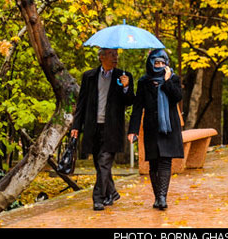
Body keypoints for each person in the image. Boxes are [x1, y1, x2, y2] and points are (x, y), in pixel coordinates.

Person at [71, 48, 134, 211]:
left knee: (105, 162)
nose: (116, 58)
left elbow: (129, 101)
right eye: (112, 54)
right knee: (99, 164)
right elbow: (81, 103)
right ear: (101, 57)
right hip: (93, 127)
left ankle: (98, 198)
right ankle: (111, 192)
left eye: (117, 55)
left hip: (112, 128)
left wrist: (126, 87)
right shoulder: (89, 76)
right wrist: (76, 125)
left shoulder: (124, 76)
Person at [127, 48, 183, 210]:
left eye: (162, 62)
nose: (159, 65)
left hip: (168, 128)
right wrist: (133, 130)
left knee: (165, 161)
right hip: (151, 127)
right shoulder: (144, 81)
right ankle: (158, 196)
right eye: (156, 62)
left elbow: (177, 98)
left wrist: (167, 82)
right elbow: (138, 107)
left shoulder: (173, 78)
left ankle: (162, 197)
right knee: (153, 163)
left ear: (166, 64)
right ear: (150, 63)